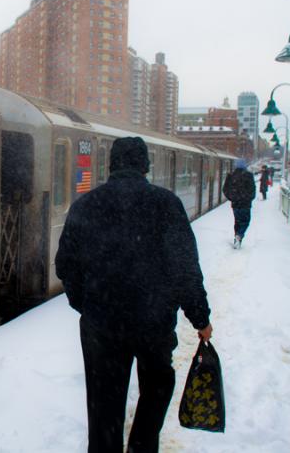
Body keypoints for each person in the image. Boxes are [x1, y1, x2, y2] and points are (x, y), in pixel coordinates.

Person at [55, 137, 213, 453]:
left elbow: (65, 266)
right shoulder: (167, 204)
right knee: (158, 385)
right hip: (152, 323)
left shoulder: (86, 205)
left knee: (104, 405)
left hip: (103, 326)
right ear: (145, 166)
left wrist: (87, 305)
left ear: (111, 165)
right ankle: (141, 444)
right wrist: (200, 317)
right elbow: (186, 268)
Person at [222, 159, 256, 248]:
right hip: (245, 204)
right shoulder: (249, 176)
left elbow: (225, 189)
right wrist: (248, 199)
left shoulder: (231, 176)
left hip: (235, 204)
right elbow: (253, 190)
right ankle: (239, 235)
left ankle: (237, 238)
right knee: (245, 221)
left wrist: (232, 198)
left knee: (237, 221)